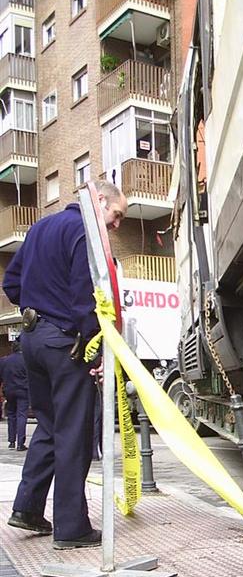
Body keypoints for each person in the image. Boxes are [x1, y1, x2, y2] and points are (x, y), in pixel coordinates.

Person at [2, 180, 128, 549]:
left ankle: (27, 507)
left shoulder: (40, 227)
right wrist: (97, 347)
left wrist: (37, 305)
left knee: (49, 424)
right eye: (116, 215)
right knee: (74, 432)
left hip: (31, 339)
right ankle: (71, 528)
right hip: (64, 343)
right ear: (99, 200)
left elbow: (11, 283)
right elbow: (83, 297)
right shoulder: (84, 233)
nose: (117, 225)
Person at [0, 338, 30, 450]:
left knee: (11, 415)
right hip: (23, 390)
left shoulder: (4, 360)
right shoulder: (26, 360)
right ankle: (20, 443)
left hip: (9, 390)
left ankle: (11, 441)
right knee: (21, 415)